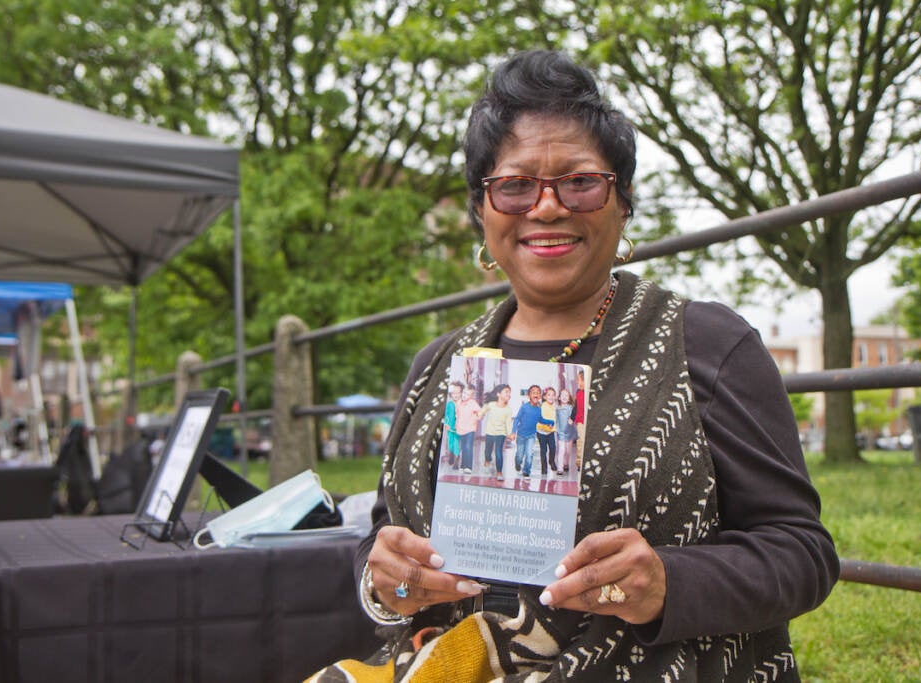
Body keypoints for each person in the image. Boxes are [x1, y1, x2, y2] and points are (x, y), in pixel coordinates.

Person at [311, 50, 838, 681]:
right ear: (482, 211)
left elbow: (803, 552)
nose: (548, 206)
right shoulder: (440, 365)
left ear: (623, 202)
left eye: (580, 181)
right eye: (515, 185)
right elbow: (384, 538)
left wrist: (668, 582)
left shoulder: (702, 344)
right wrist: (385, 576)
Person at [477, 383, 513, 479]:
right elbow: (483, 410)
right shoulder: (491, 405)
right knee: (488, 451)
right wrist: (480, 415)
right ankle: (487, 461)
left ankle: (499, 473)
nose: (509, 394)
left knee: (498, 452)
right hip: (490, 432)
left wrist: (510, 434)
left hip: (501, 433)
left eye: (510, 392)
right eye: (506, 392)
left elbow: (508, 423)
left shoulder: (508, 410)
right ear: (498, 394)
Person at [509, 384, 542, 479]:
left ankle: (526, 471)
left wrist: (549, 422)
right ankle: (517, 463)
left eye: (538, 393)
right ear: (529, 396)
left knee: (529, 454)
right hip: (521, 435)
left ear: (539, 396)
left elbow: (540, 419)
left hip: (531, 436)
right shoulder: (524, 407)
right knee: (520, 454)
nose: (536, 394)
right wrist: (513, 432)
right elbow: (517, 419)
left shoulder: (539, 409)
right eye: (533, 393)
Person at [455, 386, 482, 473]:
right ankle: (463, 465)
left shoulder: (472, 403)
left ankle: (468, 467)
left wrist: (477, 418)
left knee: (468, 446)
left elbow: (480, 412)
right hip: (460, 429)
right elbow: (457, 414)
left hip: (470, 429)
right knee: (463, 448)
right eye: (464, 393)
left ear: (471, 396)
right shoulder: (458, 403)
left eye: (467, 394)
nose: (464, 395)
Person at [554, 387, 576, 476]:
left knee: (568, 451)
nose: (564, 397)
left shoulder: (571, 408)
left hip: (569, 433)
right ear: (559, 397)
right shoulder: (557, 409)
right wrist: (555, 428)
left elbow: (574, 417)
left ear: (569, 398)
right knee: (561, 450)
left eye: (566, 395)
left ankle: (566, 463)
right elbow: (556, 419)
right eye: (562, 395)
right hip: (561, 433)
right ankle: (560, 468)